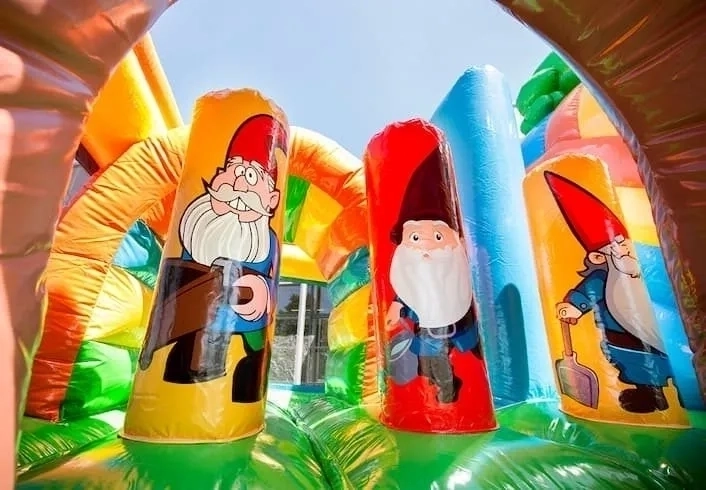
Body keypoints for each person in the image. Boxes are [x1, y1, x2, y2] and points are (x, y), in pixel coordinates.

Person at [139, 114, 287, 404]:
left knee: (251, 363)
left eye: (252, 177)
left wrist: (260, 290)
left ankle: (242, 395)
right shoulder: (198, 225)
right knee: (185, 367)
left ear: (272, 200)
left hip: (248, 323)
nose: (239, 185)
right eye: (234, 170)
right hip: (193, 319)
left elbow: (269, 279)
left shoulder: (265, 240)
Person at [545, 171, 680, 413]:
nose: (624, 249)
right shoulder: (602, 279)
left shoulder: (641, 270)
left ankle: (680, 390)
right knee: (635, 364)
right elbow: (586, 293)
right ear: (598, 257)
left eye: (624, 243)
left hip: (656, 333)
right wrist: (574, 307)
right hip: (622, 337)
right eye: (616, 246)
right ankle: (649, 394)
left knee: (667, 360)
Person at [385, 148, 481, 404]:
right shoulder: (411, 269)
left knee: (460, 350)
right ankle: (444, 392)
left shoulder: (456, 264)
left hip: (459, 322)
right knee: (429, 361)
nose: (426, 245)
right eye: (415, 237)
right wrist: (397, 306)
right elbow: (408, 288)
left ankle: (450, 392)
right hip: (429, 326)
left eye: (438, 236)